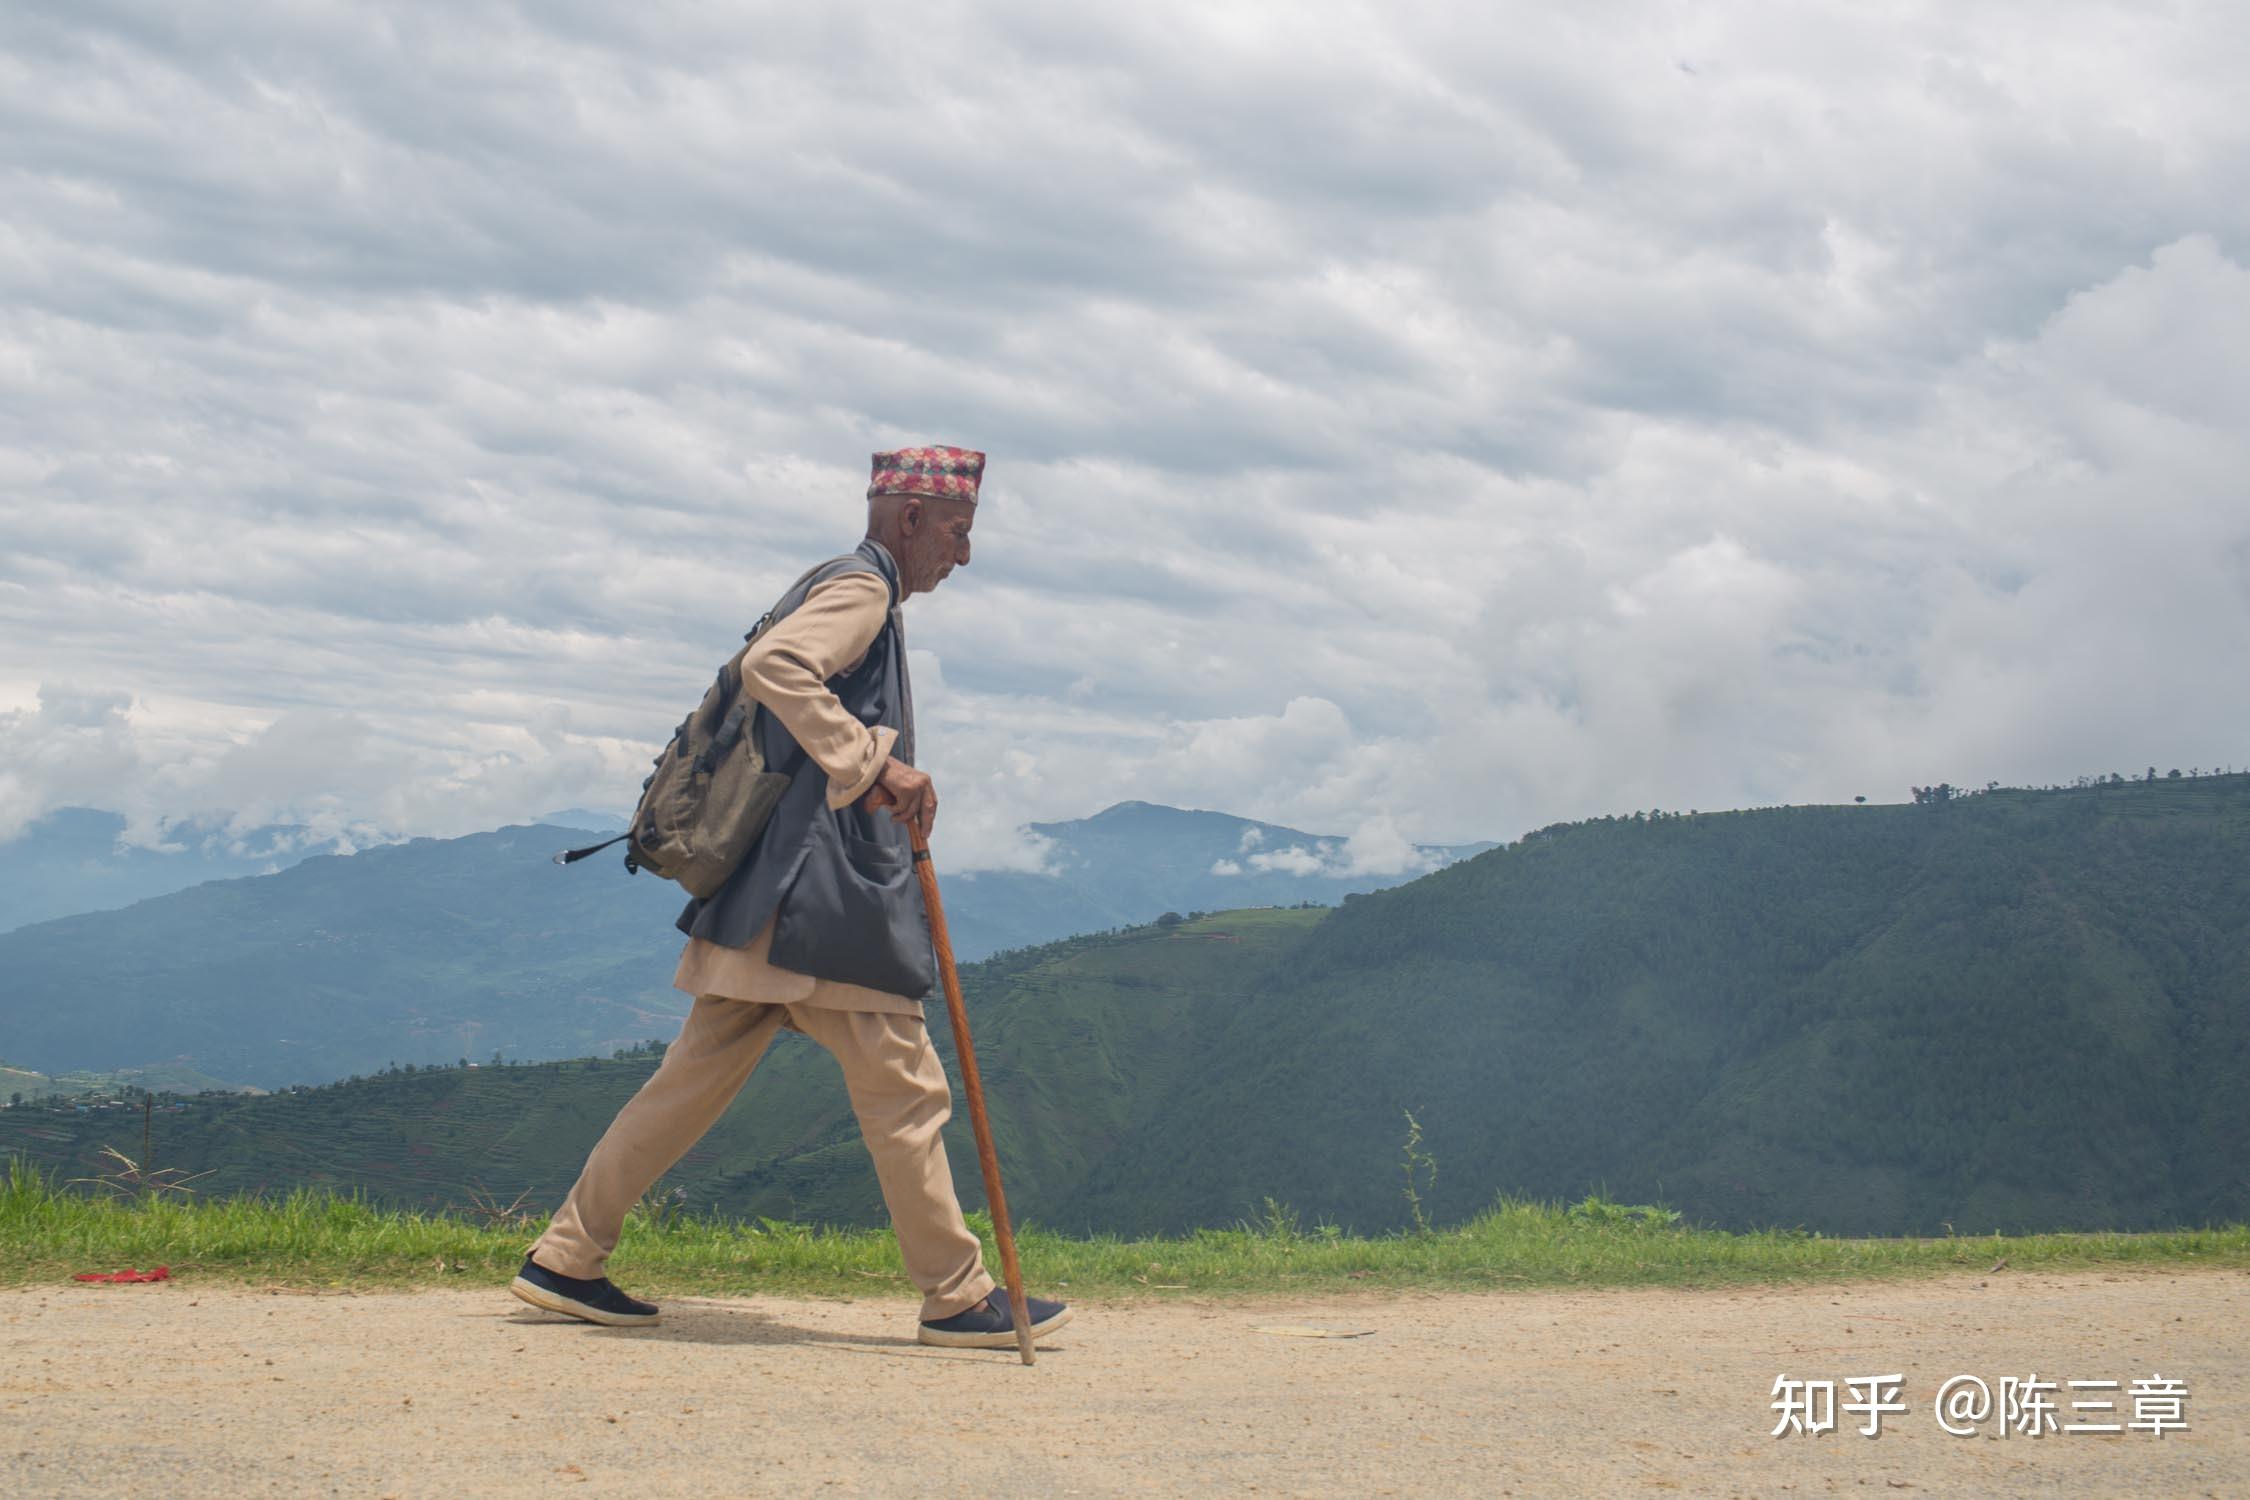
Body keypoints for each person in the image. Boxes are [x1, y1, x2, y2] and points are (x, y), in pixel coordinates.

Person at [511, 445, 1070, 1350]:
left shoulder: (838, 582)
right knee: (906, 1091)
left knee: (686, 1087)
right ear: (911, 518)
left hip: (767, 897)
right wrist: (874, 763)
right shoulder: (864, 590)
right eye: (957, 532)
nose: (963, 555)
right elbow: (776, 665)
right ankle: (958, 1298)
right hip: (822, 901)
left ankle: (567, 1256)